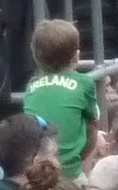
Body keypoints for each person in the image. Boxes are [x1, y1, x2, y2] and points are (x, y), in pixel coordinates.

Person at [22, 19, 100, 174]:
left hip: (37, 167)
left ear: (35, 57)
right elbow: (93, 119)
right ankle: (83, 174)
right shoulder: (85, 82)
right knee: (93, 121)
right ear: (76, 56)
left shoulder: (32, 84)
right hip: (68, 170)